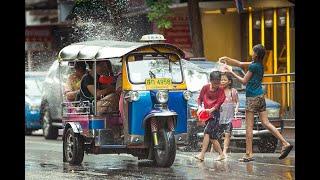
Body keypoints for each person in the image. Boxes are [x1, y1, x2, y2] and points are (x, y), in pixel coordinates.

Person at [220, 44, 293, 162]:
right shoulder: (259, 64)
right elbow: (239, 63)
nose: (251, 53)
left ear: (256, 54)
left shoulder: (253, 66)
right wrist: (228, 60)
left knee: (249, 127)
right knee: (266, 122)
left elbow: (244, 81)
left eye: (253, 51)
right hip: (260, 96)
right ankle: (285, 142)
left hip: (252, 98)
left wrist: (230, 72)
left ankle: (249, 154)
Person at [194, 71, 226, 162]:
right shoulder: (205, 88)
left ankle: (202, 154)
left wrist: (211, 110)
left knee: (207, 132)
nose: (216, 85)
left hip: (214, 115)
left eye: (218, 83)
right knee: (212, 137)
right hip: (206, 114)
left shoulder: (221, 90)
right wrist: (200, 107)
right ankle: (221, 154)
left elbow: (219, 102)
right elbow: (200, 99)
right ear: (210, 80)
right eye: (215, 83)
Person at [210, 73, 239, 158]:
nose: (222, 81)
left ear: (229, 82)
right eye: (221, 80)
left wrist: (236, 108)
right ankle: (212, 150)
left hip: (229, 118)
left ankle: (225, 151)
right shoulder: (217, 91)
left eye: (224, 80)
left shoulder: (233, 92)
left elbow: (237, 102)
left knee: (227, 134)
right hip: (219, 118)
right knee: (215, 136)